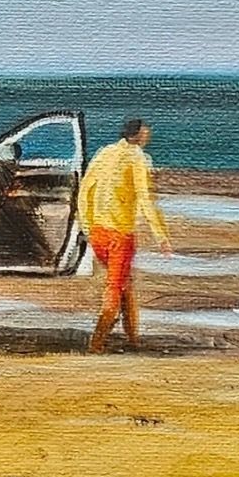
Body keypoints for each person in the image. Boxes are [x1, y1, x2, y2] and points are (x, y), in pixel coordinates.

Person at [77, 117, 173, 353]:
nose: (148, 134)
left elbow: (84, 189)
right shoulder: (138, 158)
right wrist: (160, 235)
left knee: (124, 284)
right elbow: (144, 198)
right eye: (146, 131)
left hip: (98, 231)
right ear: (138, 134)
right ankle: (96, 343)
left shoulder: (105, 153)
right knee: (115, 287)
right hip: (120, 234)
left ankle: (132, 337)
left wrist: (87, 225)